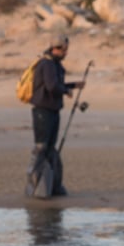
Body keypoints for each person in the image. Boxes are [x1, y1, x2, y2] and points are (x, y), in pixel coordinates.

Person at [26, 33, 84, 199]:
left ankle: (51, 187)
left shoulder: (55, 65)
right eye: (65, 50)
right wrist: (66, 91)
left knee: (50, 148)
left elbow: (54, 84)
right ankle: (35, 186)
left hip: (53, 111)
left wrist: (73, 85)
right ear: (56, 49)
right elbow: (52, 86)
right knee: (41, 148)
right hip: (42, 112)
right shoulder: (47, 64)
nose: (66, 53)